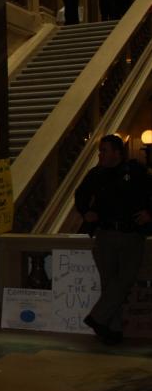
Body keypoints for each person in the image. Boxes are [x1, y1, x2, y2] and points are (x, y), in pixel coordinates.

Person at [75, 134, 152, 345]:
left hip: (131, 234)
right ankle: (112, 330)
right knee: (109, 283)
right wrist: (86, 212)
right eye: (100, 151)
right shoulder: (97, 174)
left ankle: (97, 317)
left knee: (125, 279)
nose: (101, 155)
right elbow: (80, 195)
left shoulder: (135, 171)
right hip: (106, 234)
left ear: (117, 153)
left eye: (105, 151)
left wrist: (149, 213)